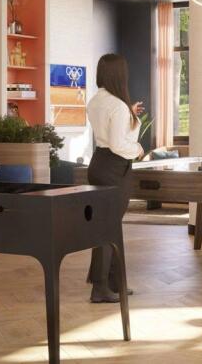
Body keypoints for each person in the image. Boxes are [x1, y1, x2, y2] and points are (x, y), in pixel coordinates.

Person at [85, 53, 143, 303]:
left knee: (107, 226)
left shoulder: (95, 101)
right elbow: (119, 145)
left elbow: (108, 134)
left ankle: (114, 283)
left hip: (99, 163)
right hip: (115, 167)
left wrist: (129, 114)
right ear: (120, 74)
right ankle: (100, 288)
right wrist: (138, 149)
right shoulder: (118, 106)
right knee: (108, 227)